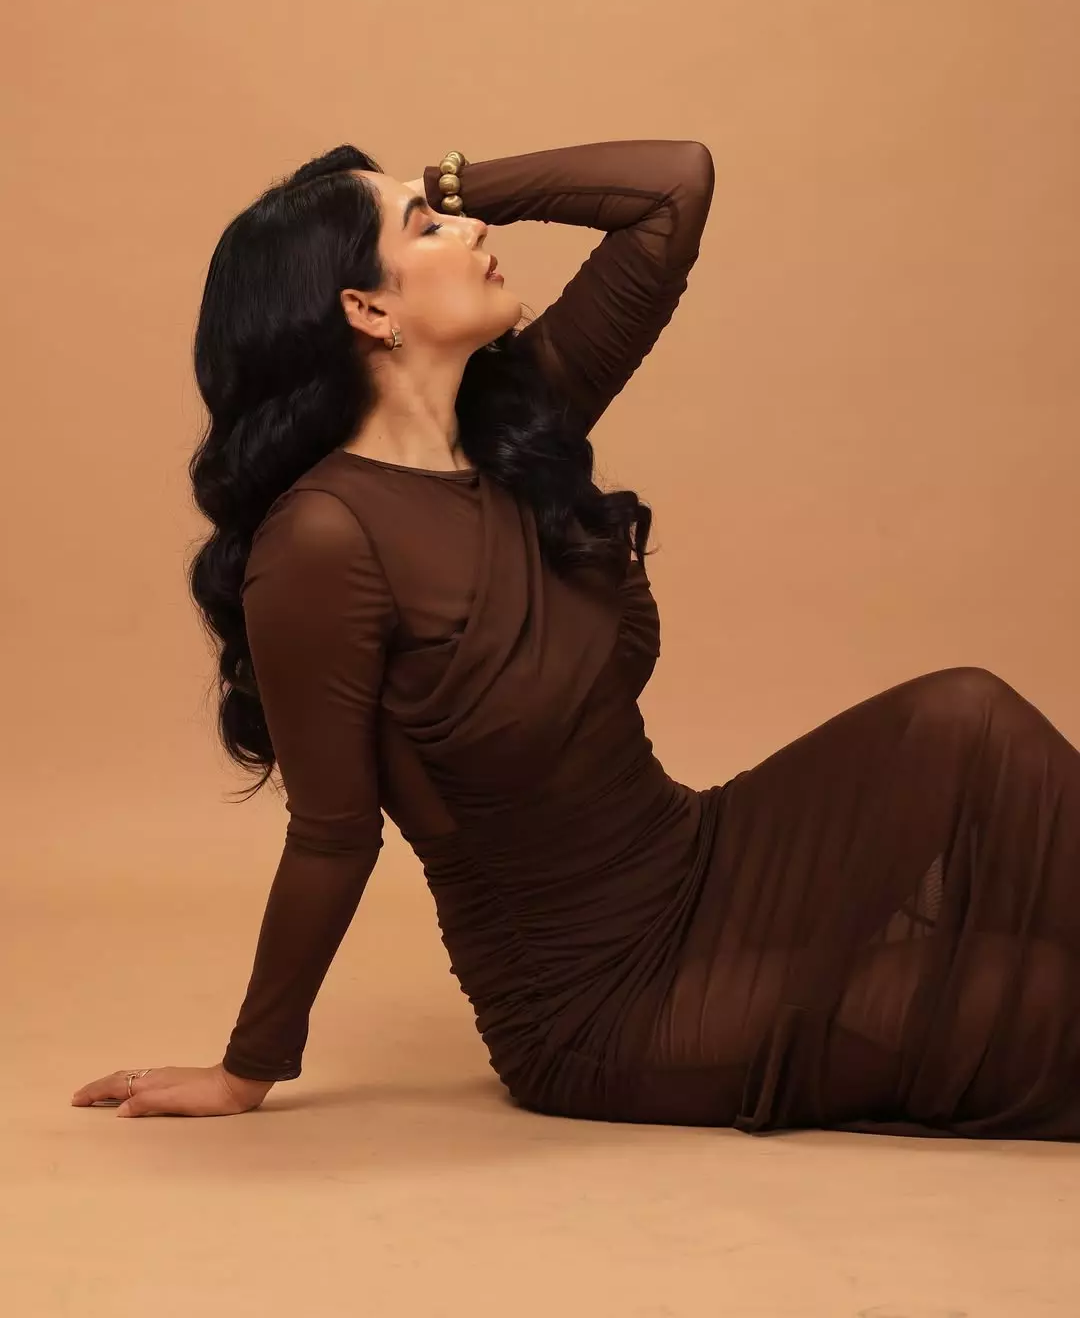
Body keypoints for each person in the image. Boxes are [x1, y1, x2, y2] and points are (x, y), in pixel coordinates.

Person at [73, 140, 1080, 1137]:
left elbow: (672, 188)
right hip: (601, 1000)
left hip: (706, 858)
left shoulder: (518, 425)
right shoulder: (324, 541)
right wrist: (246, 1070)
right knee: (1033, 1004)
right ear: (368, 310)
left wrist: (441, 185)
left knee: (964, 716)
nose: (470, 229)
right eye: (427, 230)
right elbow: (333, 836)